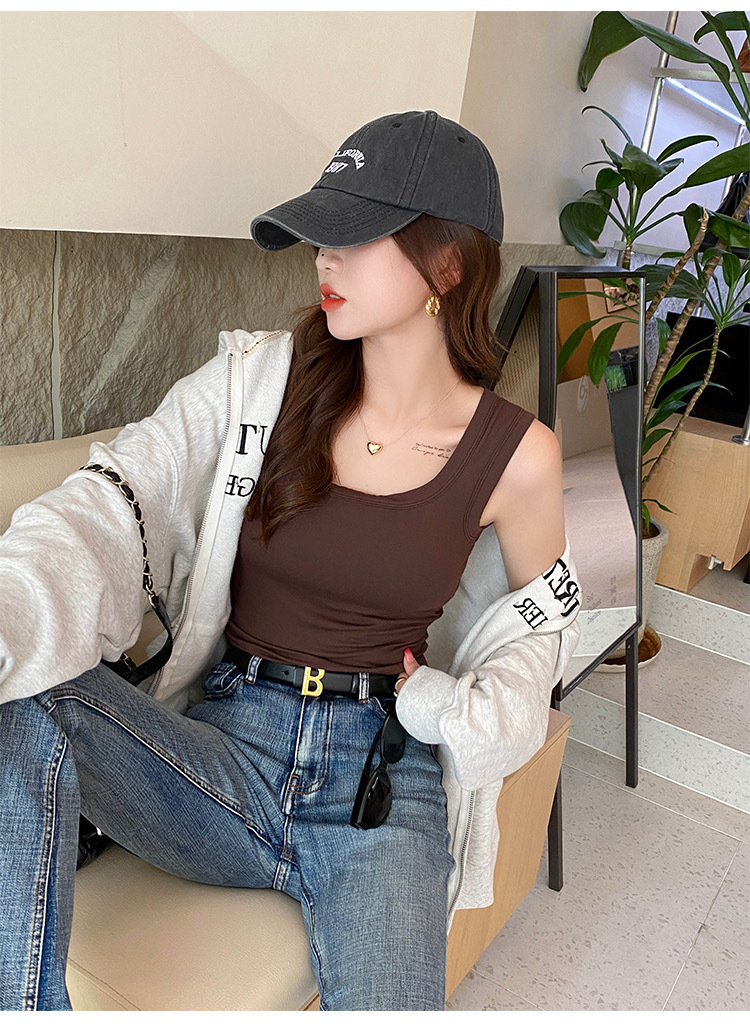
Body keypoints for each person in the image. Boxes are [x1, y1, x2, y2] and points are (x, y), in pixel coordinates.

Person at [0, 110, 581, 1011]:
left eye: (354, 237)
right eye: (320, 237)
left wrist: (457, 708)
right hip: (224, 751)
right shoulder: (259, 384)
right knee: (25, 688)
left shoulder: (520, 455)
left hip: (379, 783)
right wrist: (14, 604)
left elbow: (541, 631)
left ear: (447, 265)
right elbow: (118, 494)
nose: (323, 260)